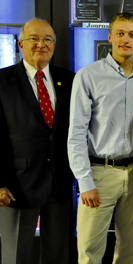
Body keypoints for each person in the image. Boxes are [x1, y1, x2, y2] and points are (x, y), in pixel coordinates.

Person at [67, 13, 133, 263]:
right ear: (110, 36)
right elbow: (76, 133)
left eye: (131, 34)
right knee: (89, 248)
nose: (126, 39)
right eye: (120, 33)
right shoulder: (88, 76)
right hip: (99, 173)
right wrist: (84, 181)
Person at [0, 18, 75, 263]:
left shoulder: (70, 80)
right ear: (21, 44)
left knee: (57, 256)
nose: (41, 44)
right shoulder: (2, 82)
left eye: (47, 40)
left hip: (60, 184)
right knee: (16, 257)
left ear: (54, 46)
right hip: (17, 186)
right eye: (34, 38)